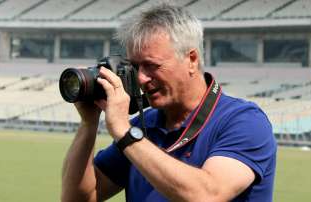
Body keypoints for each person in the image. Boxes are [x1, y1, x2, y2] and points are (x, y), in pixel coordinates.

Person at [61, 3, 277, 202]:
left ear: (191, 60)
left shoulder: (244, 121)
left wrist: (125, 134)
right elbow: (78, 198)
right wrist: (88, 125)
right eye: (135, 67)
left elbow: (208, 194)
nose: (141, 78)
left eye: (151, 65)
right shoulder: (144, 126)